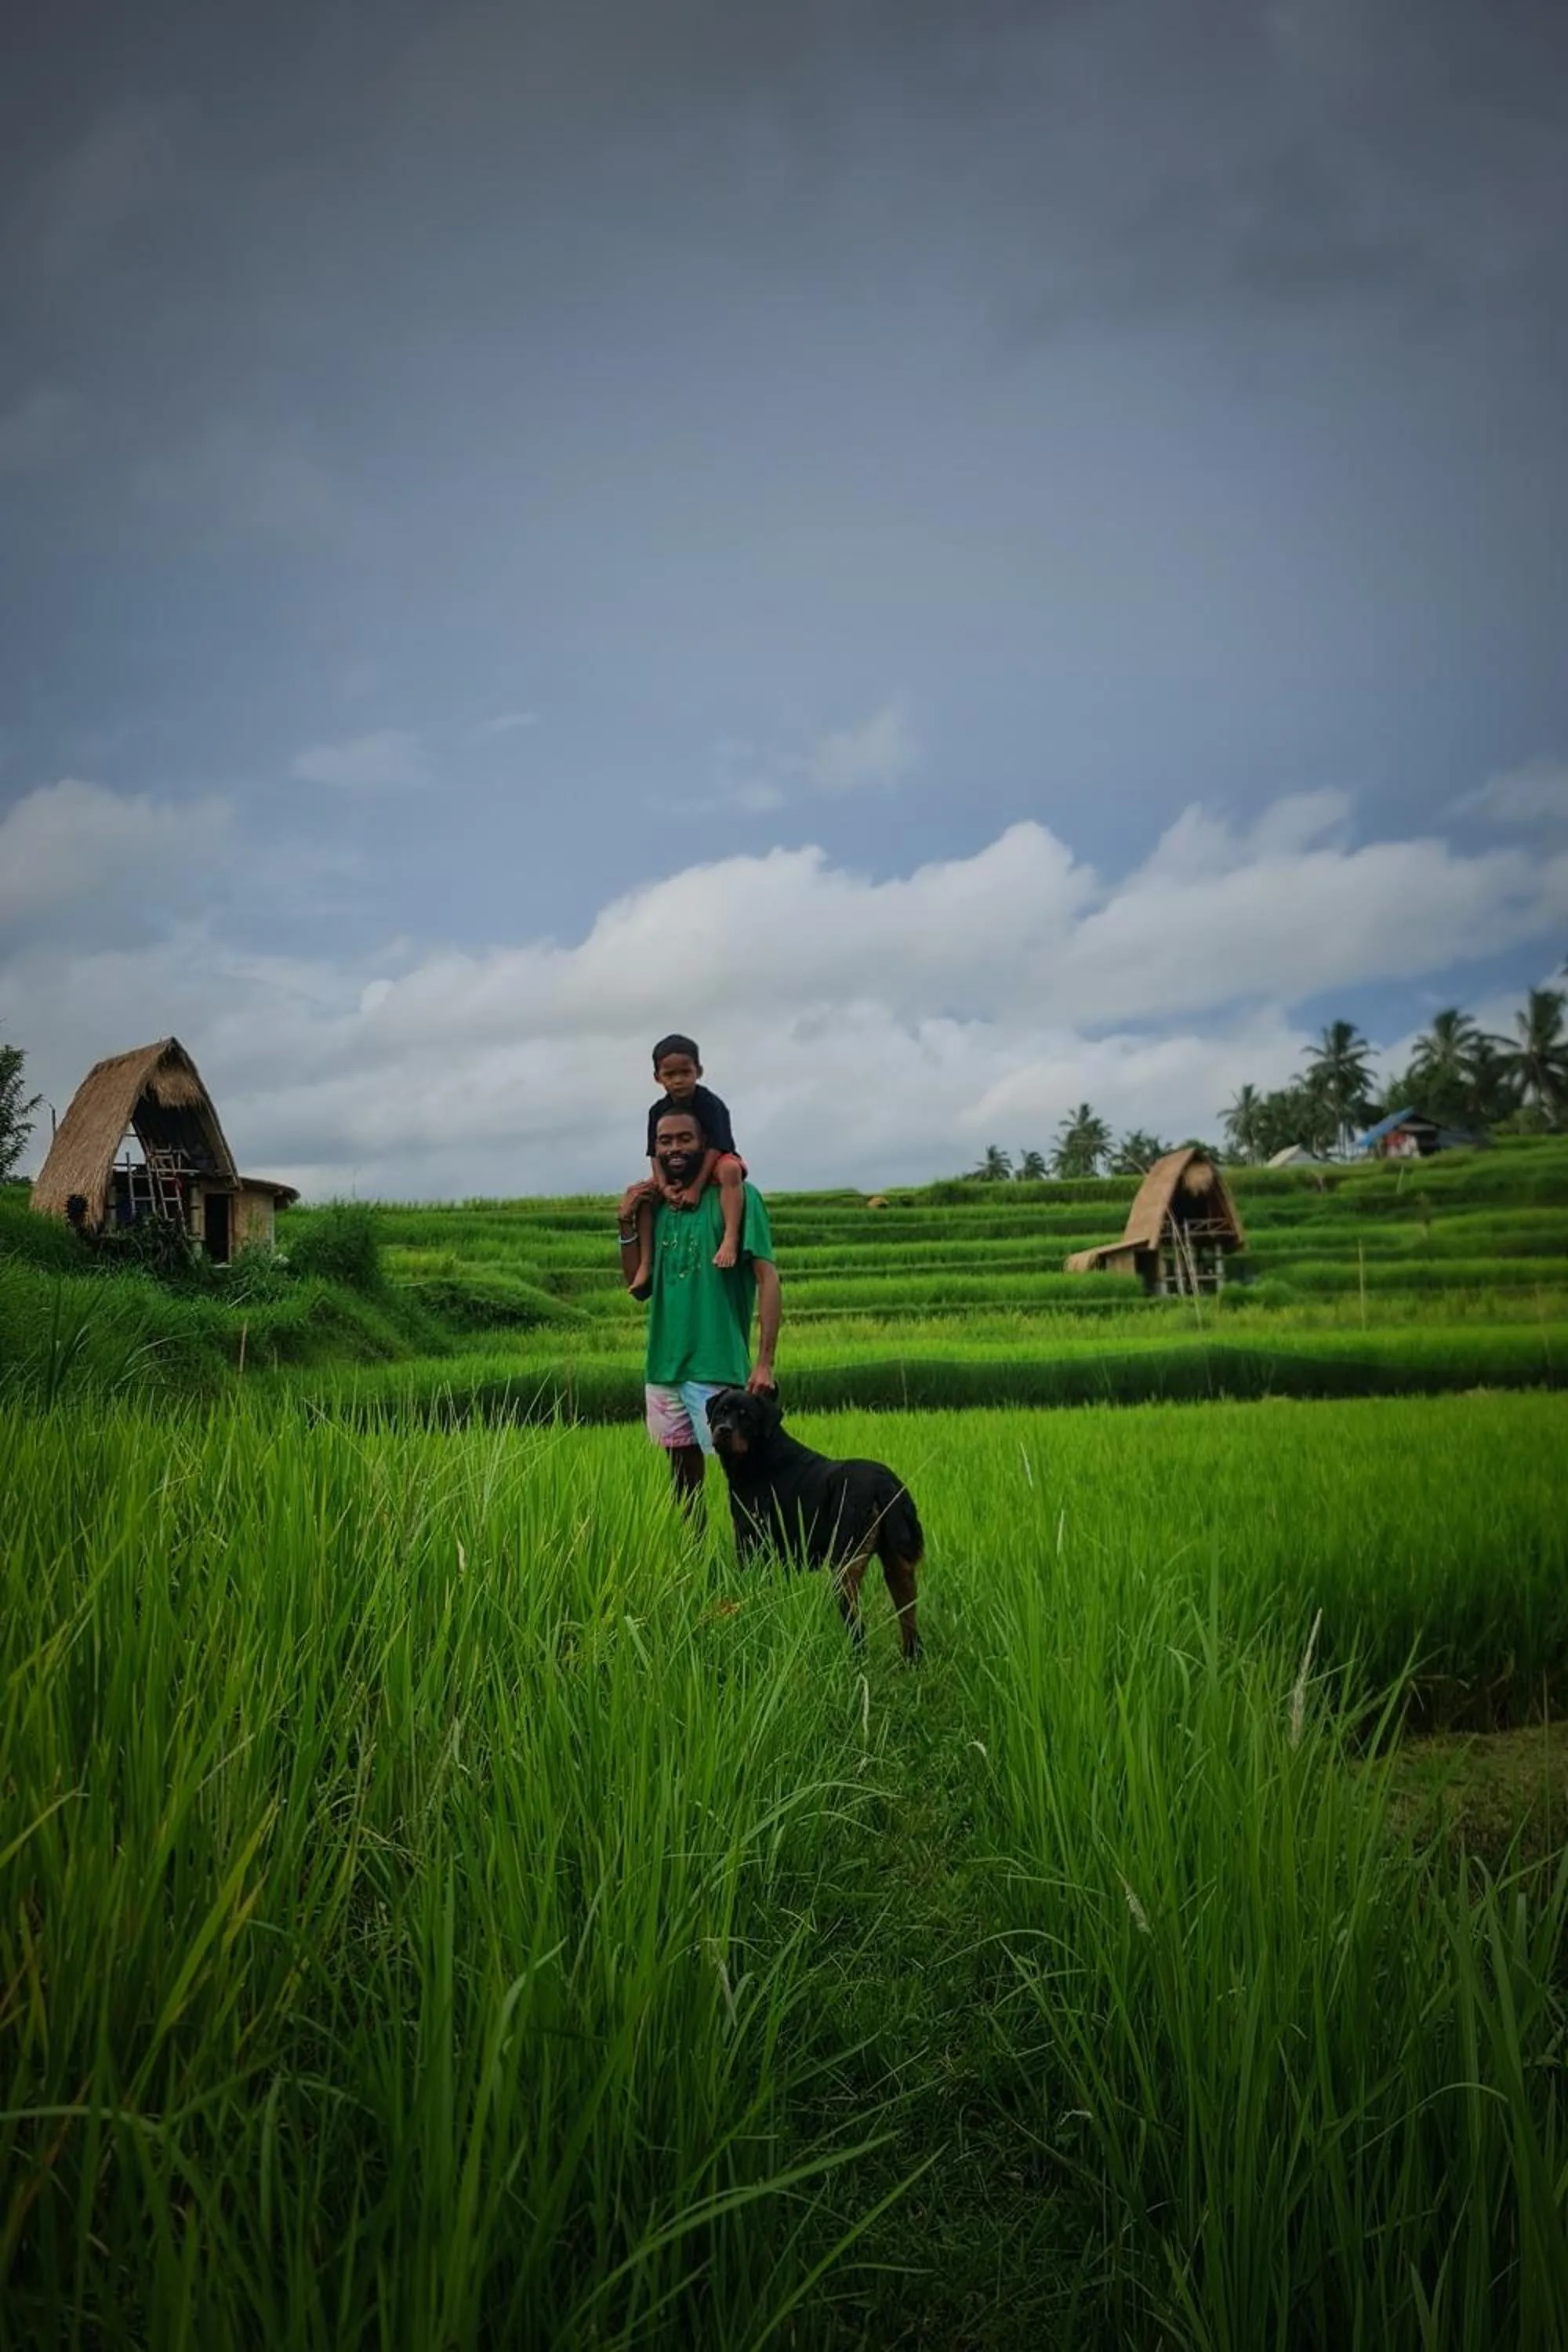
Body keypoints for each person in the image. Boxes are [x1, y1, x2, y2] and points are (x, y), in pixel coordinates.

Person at [619, 1102, 779, 1512]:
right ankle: (694, 1563)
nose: (675, 1148)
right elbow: (638, 1289)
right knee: (683, 1482)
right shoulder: (655, 1205)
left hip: (718, 1366)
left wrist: (763, 1363)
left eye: (685, 1138)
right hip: (663, 1368)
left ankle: (757, 1565)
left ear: (704, 1142)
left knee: (748, 1477)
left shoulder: (739, 1199)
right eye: (665, 1140)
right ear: (653, 1149)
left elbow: (768, 1279)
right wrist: (625, 1223)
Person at [626, 1033, 746, 1296]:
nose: (678, 1080)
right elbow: (655, 1154)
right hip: (676, 1166)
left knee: (731, 1170)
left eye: (685, 1072)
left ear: (699, 1071)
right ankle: (646, 1264)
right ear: (658, 1077)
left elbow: (716, 1148)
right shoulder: (656, 1111)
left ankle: (730, 1239)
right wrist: (663, 1186)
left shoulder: (711, 1105)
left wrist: (696, 1188)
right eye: (670, 1075)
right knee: (645, 1195)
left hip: (711, 1164)